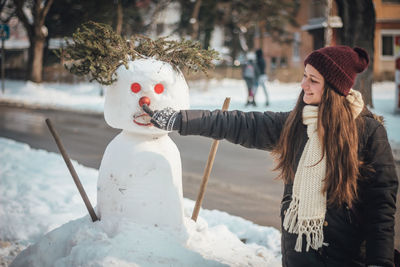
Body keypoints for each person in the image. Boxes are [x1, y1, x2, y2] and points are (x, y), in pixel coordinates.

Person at [142, 46, 398, 266]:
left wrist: (379, 260)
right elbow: (238, 124)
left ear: (333, 88)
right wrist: (179, 119)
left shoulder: (367, 133)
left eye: (313, 80)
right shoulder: (295, 125)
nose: (303, 85)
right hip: (299, 254)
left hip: (349, 256)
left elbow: (381, 206)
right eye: (304, 76)